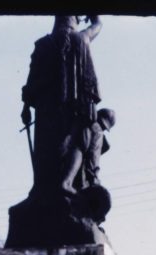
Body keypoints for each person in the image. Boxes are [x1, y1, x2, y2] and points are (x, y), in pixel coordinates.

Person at [21, 15, 103, 198]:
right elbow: (97, 26)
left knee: (45, 151)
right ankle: (69, 183)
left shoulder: (43, 44)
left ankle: (42, 188)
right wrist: (96, 17)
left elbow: (31, 83)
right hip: (71, 113)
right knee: (83, 138)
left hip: (46, 115)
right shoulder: (80, 39)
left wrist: (26, 107)